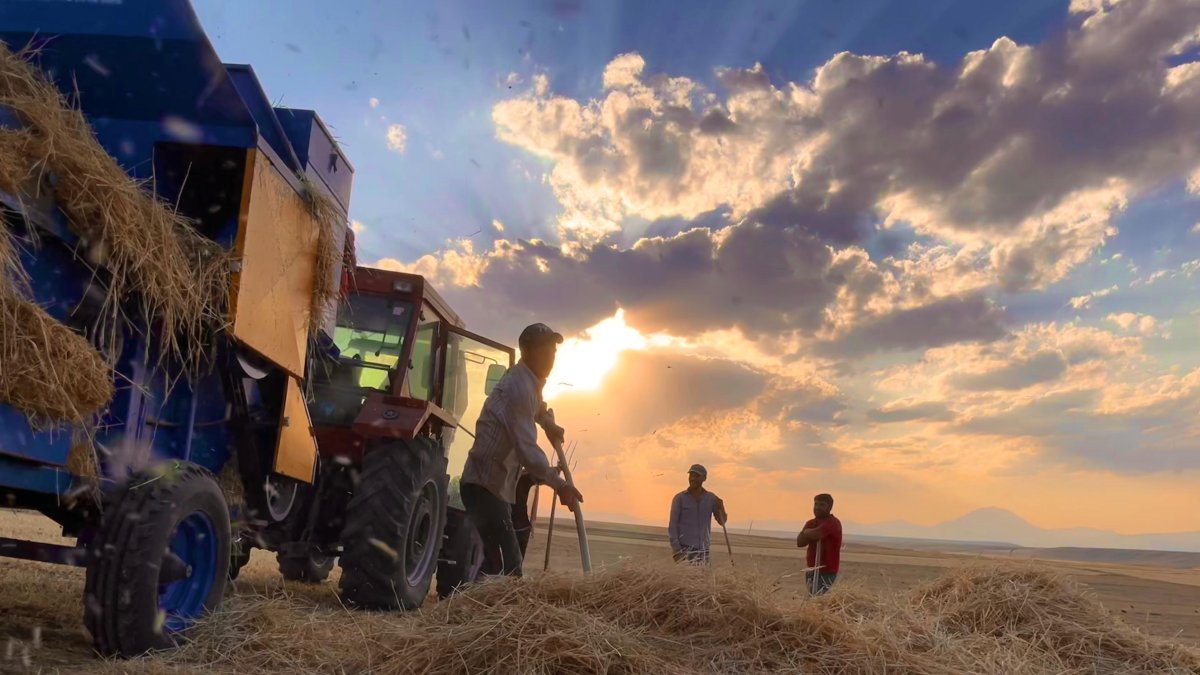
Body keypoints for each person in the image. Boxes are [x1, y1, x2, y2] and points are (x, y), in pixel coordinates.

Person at [459, 323, 584, 577]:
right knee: (509, 565)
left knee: (498, 563)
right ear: (530, 353)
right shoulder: (518, 387)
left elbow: (536, 406)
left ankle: (479, 598)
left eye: (553, 352)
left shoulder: (527, 382)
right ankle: (483, 600)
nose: (552, 358)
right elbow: (527, 450)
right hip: (484, 486)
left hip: (494, 487)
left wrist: (547, 422)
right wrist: (560, 485)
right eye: (546, 351)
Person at [667, 464, 727, 565]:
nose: (693, 479)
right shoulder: (679, 498)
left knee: (702, 575)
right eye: (691, 475)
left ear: (704, 478)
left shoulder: (711, 498)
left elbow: (722, 522)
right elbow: (672, 526)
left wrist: (721, 507)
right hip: (684, 550)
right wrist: (677, 551)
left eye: (697, 476)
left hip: (703, 551)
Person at [796, 493, 842, 595]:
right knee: (812, 596)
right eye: (816, 504)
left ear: (829, 507)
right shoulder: (811, 523)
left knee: (818, 597)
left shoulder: (833, 522)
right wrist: (810, 533)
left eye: (822, 505)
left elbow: (817, 534)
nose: (817, 507)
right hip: (811, 568)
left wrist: (806, 532)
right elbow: (800, 542)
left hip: (826, 571)